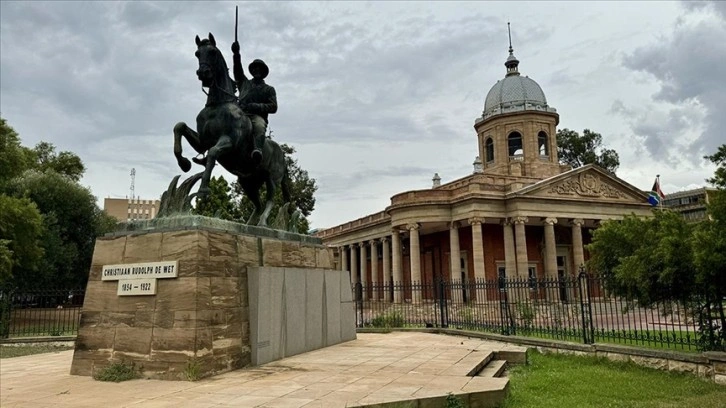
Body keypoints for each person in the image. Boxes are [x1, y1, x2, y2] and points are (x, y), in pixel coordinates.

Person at [231, 40, 278, 165]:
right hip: (240, 114)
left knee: (259, 126)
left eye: (259, 68)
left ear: (263, 72)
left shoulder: (269, 89)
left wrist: (256, 106)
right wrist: (236, 54)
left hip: (257, 117)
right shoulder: (244, 83)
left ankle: (258, 149)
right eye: (255, 68)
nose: (257, 70)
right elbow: (237, 71)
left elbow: (273, 107)